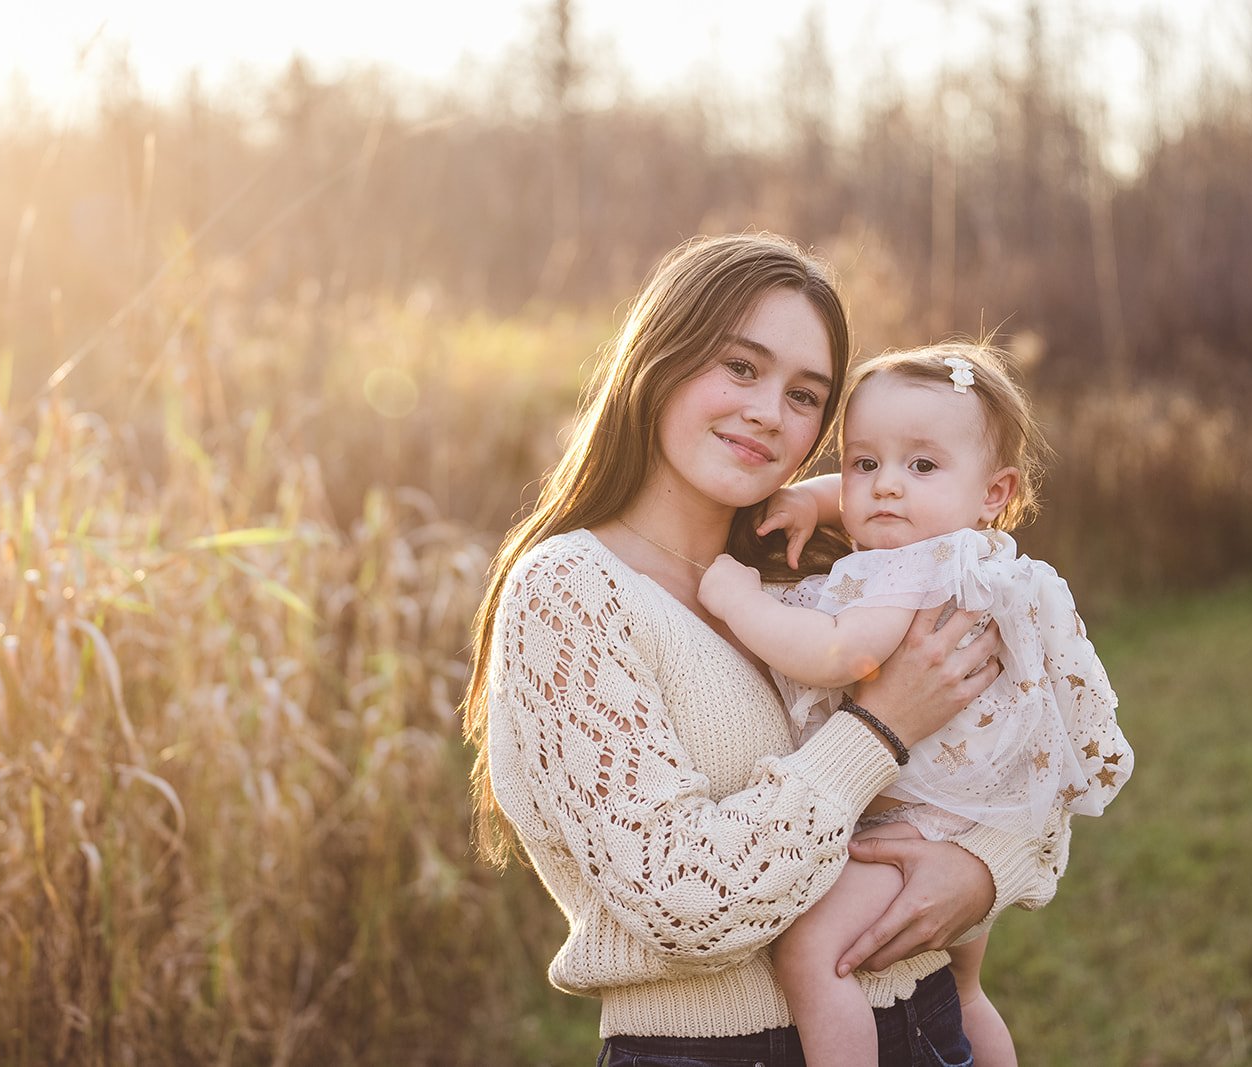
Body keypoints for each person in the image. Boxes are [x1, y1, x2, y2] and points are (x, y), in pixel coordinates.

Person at [461, 234, 1073, 1067]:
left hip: (931, 1030)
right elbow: (682, 901)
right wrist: (879, 728)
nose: (768, 413)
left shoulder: (832, 576)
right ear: (659, 360)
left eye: (804, 395)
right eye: (741, 368)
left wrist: (981, 874)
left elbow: (1029, 744)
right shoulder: (570, 592)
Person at [697, 342, 1134, 1066]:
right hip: (976, 816)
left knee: (810, 953)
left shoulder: (910, 569)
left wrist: (739, 601)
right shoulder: (975, 554)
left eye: (921, 465)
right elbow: (896, 482)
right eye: (864, 463)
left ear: (994, 492)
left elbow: (838, 653)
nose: (885, 488)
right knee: (964, 992)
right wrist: (814, 495)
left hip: (916, 816)